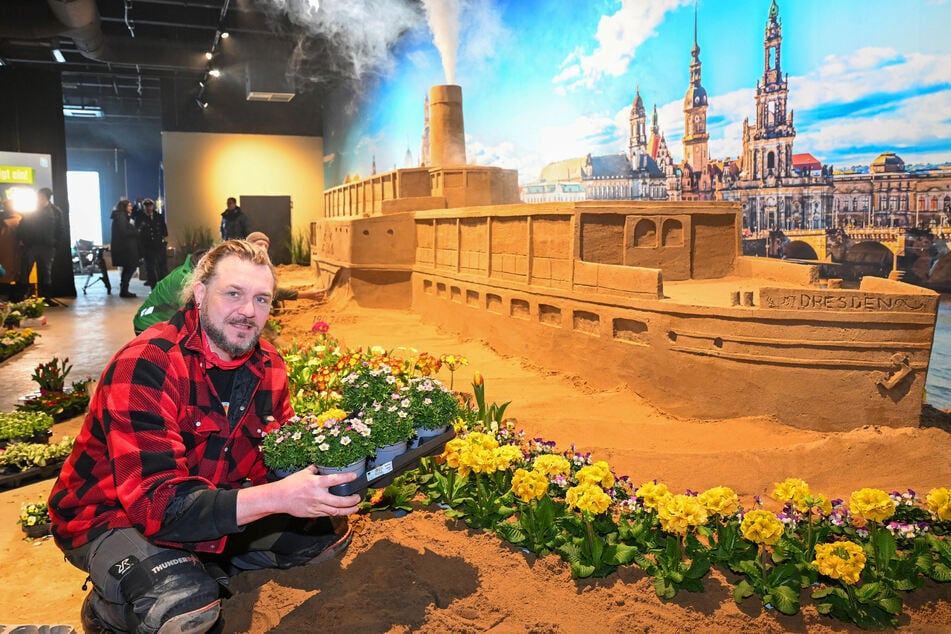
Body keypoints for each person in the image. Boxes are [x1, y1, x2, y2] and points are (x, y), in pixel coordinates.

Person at [48, 240, 361, 633]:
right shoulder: (147, 364)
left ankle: (201, 561)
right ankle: (110, 609)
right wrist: (278, 498)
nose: (248, 311)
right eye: (233, 294)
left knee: (322, 540)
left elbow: (276, 459)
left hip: (205, 498)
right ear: (200, 294)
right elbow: (156, 506)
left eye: (261, 299)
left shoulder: (270, 366)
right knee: (185, 605)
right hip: (113, 515)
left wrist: (347, 461)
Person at [245, 231, 327, 303]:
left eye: (266, 246)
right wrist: (307, 295)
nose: (263, 248)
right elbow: (270, 292)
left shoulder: (263, 265)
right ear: (249, 246)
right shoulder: (245, 266)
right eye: (259, 245)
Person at [13, 187, 65, 301]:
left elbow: (60, 229)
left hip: (48, 247)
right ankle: (21, 297)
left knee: (46, 272)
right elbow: (22, 225)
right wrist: (22, 239)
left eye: (40, 196)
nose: (38, 198)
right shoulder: (31, 210)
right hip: (31, 245)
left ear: (46, 197)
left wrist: (55, 244)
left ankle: (47, 298)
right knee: (25, 271)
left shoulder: (56, 211)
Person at [133, 198, 169, 288]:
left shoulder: (158, 216)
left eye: (150, 206)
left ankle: (163, 287)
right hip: (147, 247)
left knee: (162, 268)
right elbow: (137, 233)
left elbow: (164, 231)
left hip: (159, 246)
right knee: (150, 269)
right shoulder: (140, 218)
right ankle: (153, 288)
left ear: (153, 206)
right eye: (146, 206)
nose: (148, 208)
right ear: (143, 207)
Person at [110, 199, 141, 298]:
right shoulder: (121, 217)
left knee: (128, 268)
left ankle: (124, 289)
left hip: (124, 247)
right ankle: (124, 290)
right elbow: (124, 231)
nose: (131, 208)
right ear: (124, 207)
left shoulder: (121, 216)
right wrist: (137, 232)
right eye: (129, 206)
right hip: (125, 248)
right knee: (130, 267)